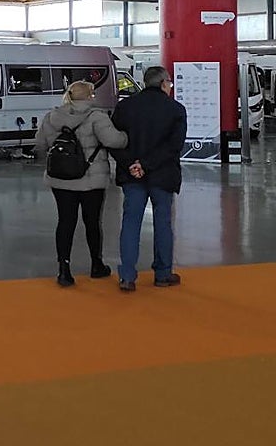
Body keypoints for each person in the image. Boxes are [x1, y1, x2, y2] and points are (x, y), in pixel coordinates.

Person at [34, 80, 128, 287]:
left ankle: (64, 270)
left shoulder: (52, 116)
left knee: (65, 222)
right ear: (90, 96)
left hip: (60, 178)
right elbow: (114, 141)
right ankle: (96, 264)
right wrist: (125, 136)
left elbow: (40, 144)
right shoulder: (97, 116)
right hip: (90, 179)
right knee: (92, 222)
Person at [110, 65, 187, 292]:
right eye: (169, 83)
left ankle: (127, 276)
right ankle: (163, 273)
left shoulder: (125, 107)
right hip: (163, 175)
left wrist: (132, 164)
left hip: (132, 175)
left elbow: (114, 141)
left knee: (130, 223)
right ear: (163, 83)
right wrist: (147, 164)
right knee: (163, 223)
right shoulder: (176, 109)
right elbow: (174, 147)